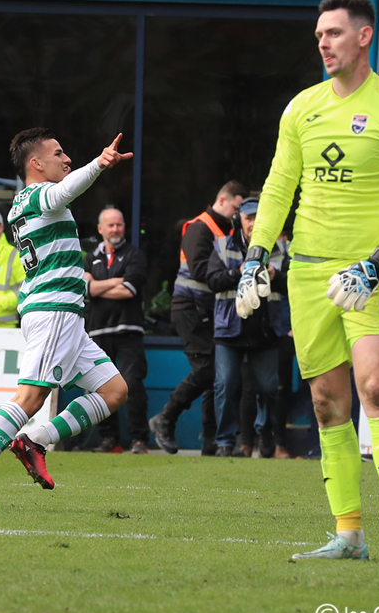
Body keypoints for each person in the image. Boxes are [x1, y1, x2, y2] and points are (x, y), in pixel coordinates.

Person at [235, 0, 379, 563]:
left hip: (368, 274)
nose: (323, 42)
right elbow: (278, 189)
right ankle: (349, 534)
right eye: (319, 34)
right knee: (326, 404)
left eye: (335, 33)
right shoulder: (301, 108)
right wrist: (256, 257)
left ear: (364, 37)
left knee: (374, 387)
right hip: (308, 274)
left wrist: (376, 265)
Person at [0, 127, 133, 510]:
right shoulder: (39, 195)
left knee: (114, 391)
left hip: (62, 315)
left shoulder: (24, 203)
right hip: (53, 311)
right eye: (59, 153)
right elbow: (64, 191)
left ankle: (35, 439)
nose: (66, 159)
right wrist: (99, 162)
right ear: (36, 163)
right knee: (30, 397)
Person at [149, 181, 247, 456]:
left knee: (214, 373)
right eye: (237, 207)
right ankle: (165, 418)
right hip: (189, 306)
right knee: (207, 369)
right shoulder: (200, 227)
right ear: (223, 200)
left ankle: (210, 442)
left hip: (207, 309)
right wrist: (237, 273)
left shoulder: (225, 230)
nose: (238, 214)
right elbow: (201, 271)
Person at [206, 196, 288, 457]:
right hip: (230, 329)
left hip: (266, 331)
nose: (254, 223)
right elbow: (212, 281)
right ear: (238, 221)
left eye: (258, 218)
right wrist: (237, 272)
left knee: (268, 388)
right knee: (225, 386)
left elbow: (294, 286)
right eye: (249, 218)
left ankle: (264, 431)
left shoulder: (282, 249)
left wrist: (278, 277)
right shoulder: (221, 246)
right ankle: (225, 442)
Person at [83, 207, 149, 455]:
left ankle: (139, 441)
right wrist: (115, 281)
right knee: (100, 388)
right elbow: (84, 290)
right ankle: (109, 440)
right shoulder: (89, 258)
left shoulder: (135, 255)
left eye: (119, 224)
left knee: (132, 385)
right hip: (98, 332)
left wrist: (96, 286)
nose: (115, 229)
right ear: (100, 229)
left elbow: (129, 290)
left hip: (128, 330)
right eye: (110, 225)